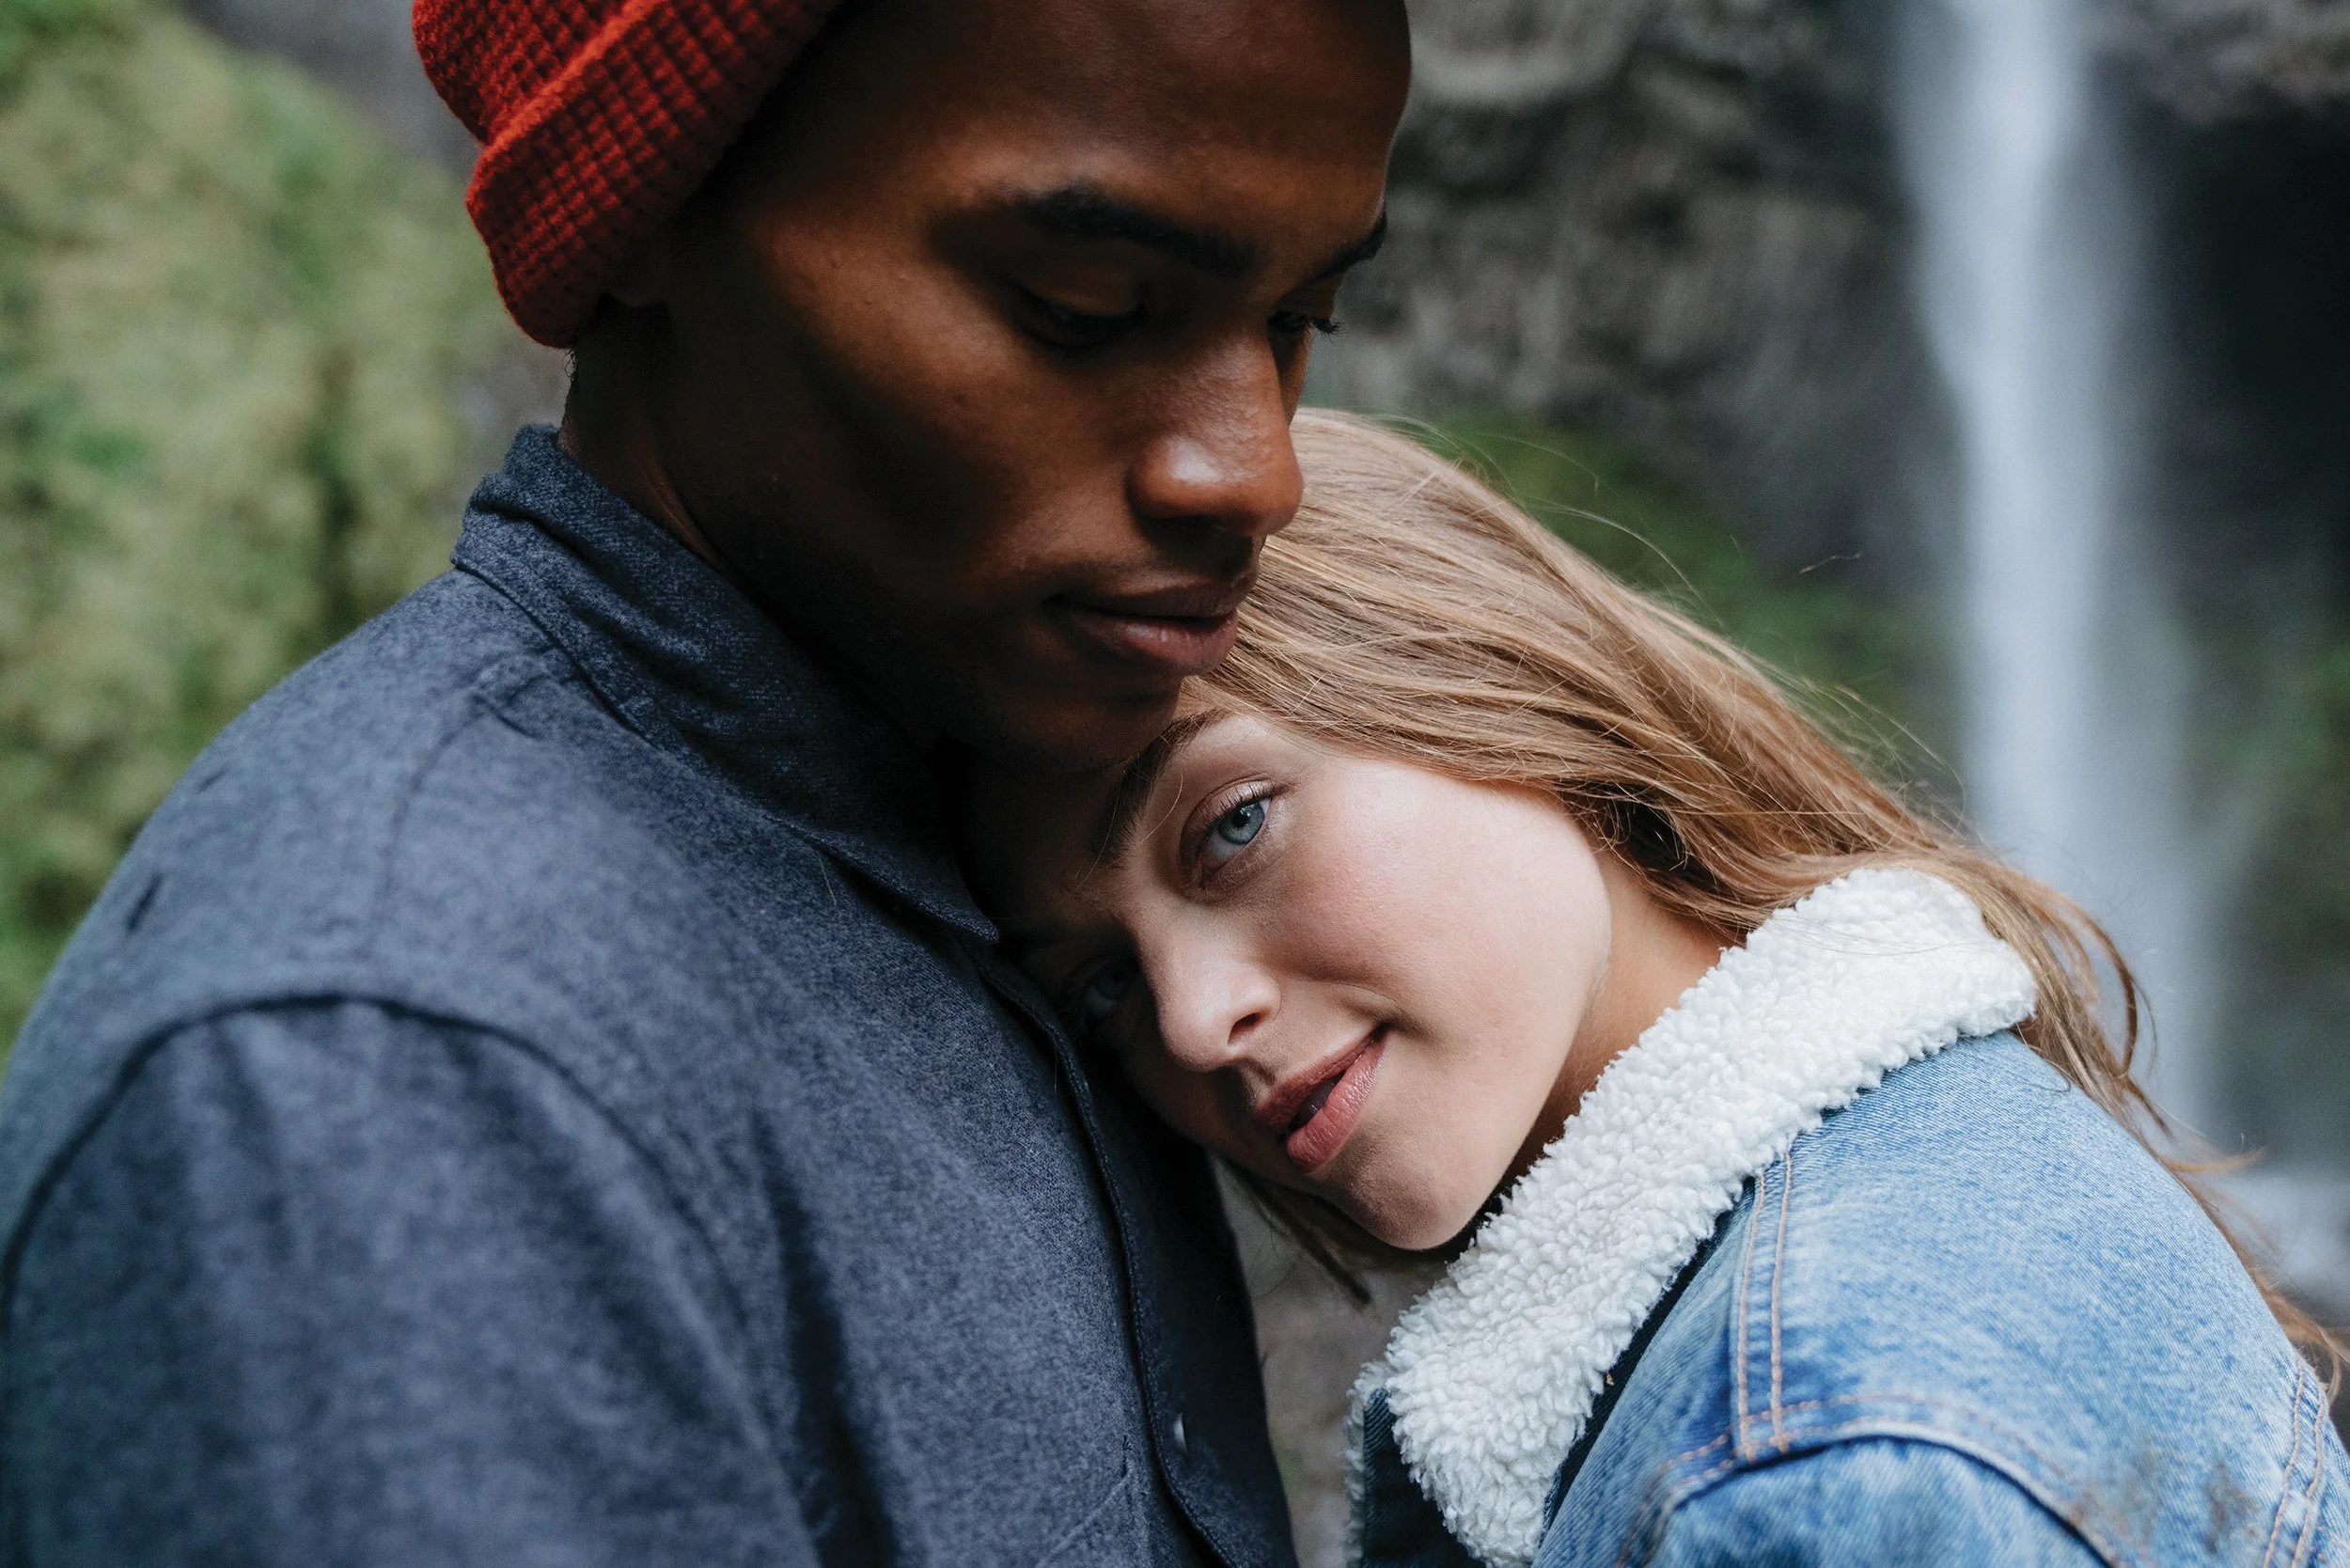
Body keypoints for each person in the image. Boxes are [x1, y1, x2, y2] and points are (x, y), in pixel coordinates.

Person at [0, 3, 1410, 1562]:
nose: (1256, 468)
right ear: (660, 209)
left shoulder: (1023, 837)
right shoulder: (395, 1076)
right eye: (1082, 306)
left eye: (1303, 320)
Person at [969, 411, 2350, 1567]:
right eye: (1101, 989)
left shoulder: (1811, 1467)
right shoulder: (1955, 1174)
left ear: (1492, 677)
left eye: (1233, 826)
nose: (1193, 1025)